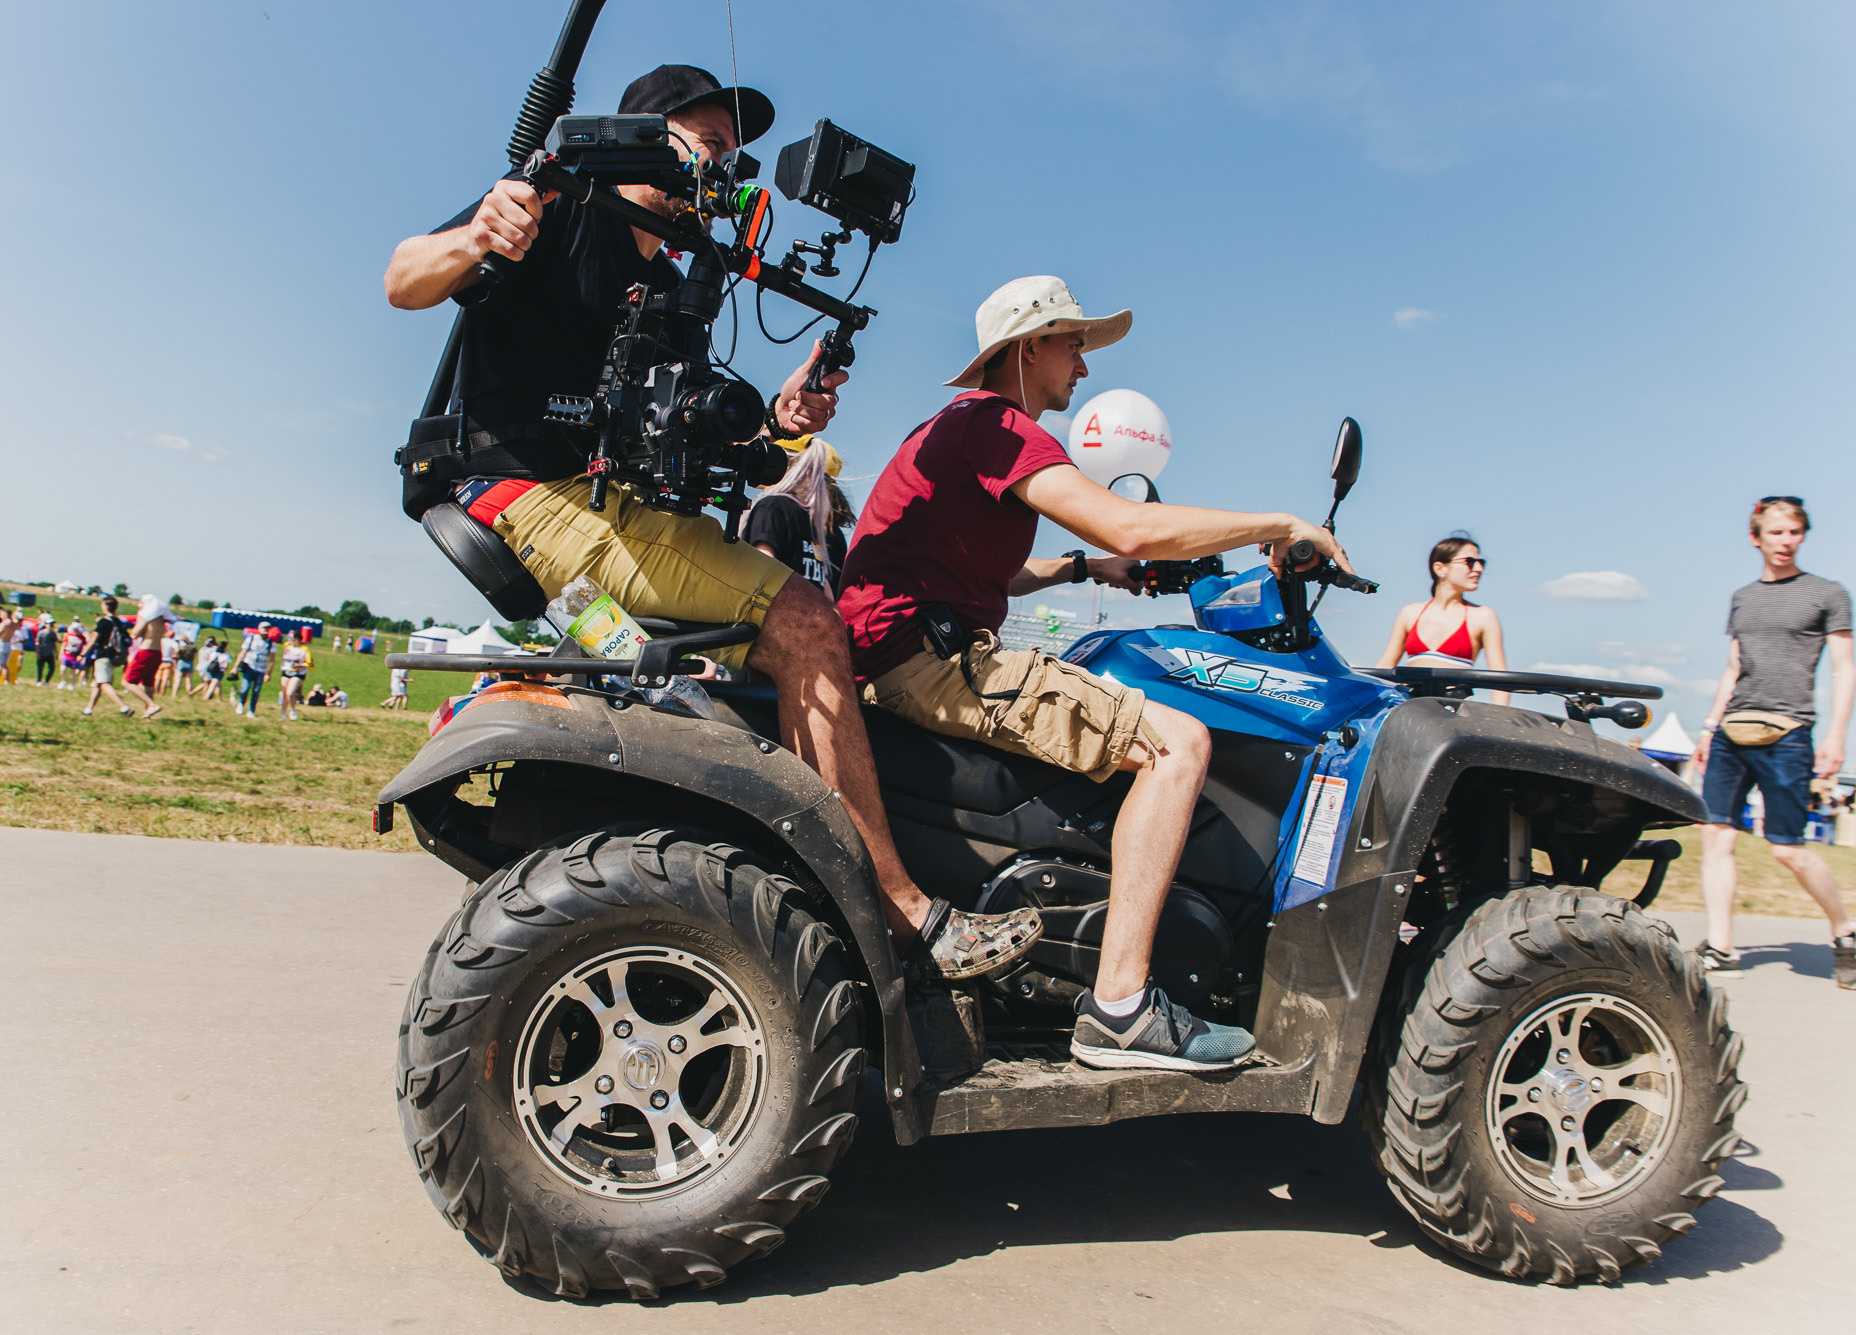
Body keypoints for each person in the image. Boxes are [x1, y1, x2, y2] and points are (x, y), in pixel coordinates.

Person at [383, 66, 1021, 972]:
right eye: (713, 143)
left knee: (790, 615)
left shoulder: (684, 283)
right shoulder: (559, 206)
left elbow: (722, 449)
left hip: (610, 502)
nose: (730, 164)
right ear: (647, 137)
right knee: (805, 620)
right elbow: (405, 278)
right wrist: (478, 235)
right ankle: (900, 911)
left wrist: (779, 424)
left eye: (736, 151)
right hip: (520, 490)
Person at [838, 275, 1358, 1070]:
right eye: (1073, 344)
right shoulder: (999, 426)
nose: (1083, 369)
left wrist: (1084, 566)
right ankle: (1121, 1007)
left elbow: (977, 575)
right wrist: (1284, 523)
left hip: (908, 650)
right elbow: (1134, 523)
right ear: (1026, 348)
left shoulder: (956, 428)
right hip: (930, 660)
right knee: (1177, 744)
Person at [1692, 497, 1854, 988]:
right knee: (1715, 834)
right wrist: (1708, 727)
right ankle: (1721, 945)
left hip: (1789, 733)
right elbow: (1733, 667)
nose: (1786, 542)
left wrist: (1836, 736)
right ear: (1755, 537)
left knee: (1786, 848)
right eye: (1777, 533)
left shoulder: (1827, 593)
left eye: (1794, 533)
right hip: (1732, 730)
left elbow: (1844, 668)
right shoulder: (1743, 596)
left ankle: (1845, 930)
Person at [1375, 533, 1510, 706]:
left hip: (1452, 710)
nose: (1478, 569)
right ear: (1440, 568)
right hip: (1408, 706)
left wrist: (1498, 721)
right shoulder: (1410, 613)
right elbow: (1385, 666)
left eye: (1481, 562)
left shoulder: (1483, 616)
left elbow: (1499, 678)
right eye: (1469, 562)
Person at [744, 435, 846, 594]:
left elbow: (761, 573)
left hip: (772, 615)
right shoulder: (833, 532)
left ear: (786, 464)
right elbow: (832, 599)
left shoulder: (773, 507)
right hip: (815, 617)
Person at [82, 596, 136, 717]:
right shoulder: (118, 621)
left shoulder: (104, 621)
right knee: (97, 683)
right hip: (116, 656)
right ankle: (88, 709)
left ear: (105, 606)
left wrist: (84, 652)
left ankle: (124, 708)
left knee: (104, 684)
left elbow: (95, 638)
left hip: (103, 655)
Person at [119, 596, 168, 720]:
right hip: (157, 652)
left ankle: (152, 705)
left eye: (140, 603)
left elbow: (136, 633)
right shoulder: (160, 618)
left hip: (146, 651)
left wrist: (132, 630)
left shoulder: (145, 615)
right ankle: (148, 714)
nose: (138, 605)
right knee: (148, 684)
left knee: (127, 682)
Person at [231, 623, 272, 718]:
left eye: (268, 629)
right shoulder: (252, 639)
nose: (266, 630)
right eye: (264, 628)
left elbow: (272, 660)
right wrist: (235, 667)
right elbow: (242, 653)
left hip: (261, 670)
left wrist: (268, 673)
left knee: (256, 691)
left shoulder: (270, 643)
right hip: (249, 667)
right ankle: (241, 703)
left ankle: (251, 710)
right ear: (259, 629)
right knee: (245, 688)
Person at [278, 635, 313, 721]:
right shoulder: (287, 646)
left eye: (292, 638)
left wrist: (300, 665)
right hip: (286, 671)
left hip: (298, 673)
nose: (290, 640)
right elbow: (280, 641)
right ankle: (283, 713)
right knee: (285, 694)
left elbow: (310, 664)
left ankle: (293, 710)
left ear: (297, 639)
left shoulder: (304, 649)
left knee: (290, 693)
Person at [0, 608, 21, 686]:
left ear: (6, 614)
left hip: (1, 643)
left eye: (2, 614)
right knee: (2, 664)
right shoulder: (13, 624)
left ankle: (3, 681)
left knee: (1, 664)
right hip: (8, 643)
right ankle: (0, 681)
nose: (1, 615)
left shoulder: (5, 623)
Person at [59, 620, 88, 690]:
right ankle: (63, 680)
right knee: (63, 668)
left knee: (74, 671)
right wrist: (61, 653)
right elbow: (64, 644)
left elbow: (84, 647)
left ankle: (71, 684)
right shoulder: (69, 635)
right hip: (67, 653)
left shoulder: (82, 638)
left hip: (75, 656)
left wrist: (83, 656)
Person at [33, 615, 60, 685]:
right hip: (42, 652)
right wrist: (38, 652)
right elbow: (37, 643)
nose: (51, 626)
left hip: (50, 653)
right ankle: (39, 681)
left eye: (52, 624)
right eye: (50, 624)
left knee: (52, 668)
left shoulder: (53, 634)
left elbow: (55, 643)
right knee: (40, 668)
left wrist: (56, 653)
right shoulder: (41, 633)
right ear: (46, 625)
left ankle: (47, 681)